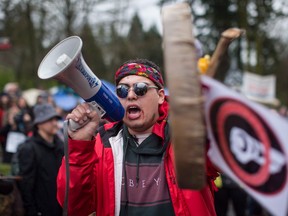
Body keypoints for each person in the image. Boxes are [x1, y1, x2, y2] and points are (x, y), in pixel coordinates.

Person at [57, 59, 219, 216]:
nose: (131, 95)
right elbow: (74, 207)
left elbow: (224, 154)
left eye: (141, 88)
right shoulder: (101, 144)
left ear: (161, 96)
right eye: (122, 90)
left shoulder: (187, 137)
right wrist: (79, 147)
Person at [17, 103, 64, 216]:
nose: (54, 123)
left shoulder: (60, 146)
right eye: (49, 120)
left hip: (61, 208)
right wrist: (32, 211)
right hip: (40, 210)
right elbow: (26, 185)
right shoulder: (29, 148)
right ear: (38, 123)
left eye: (55, 119)